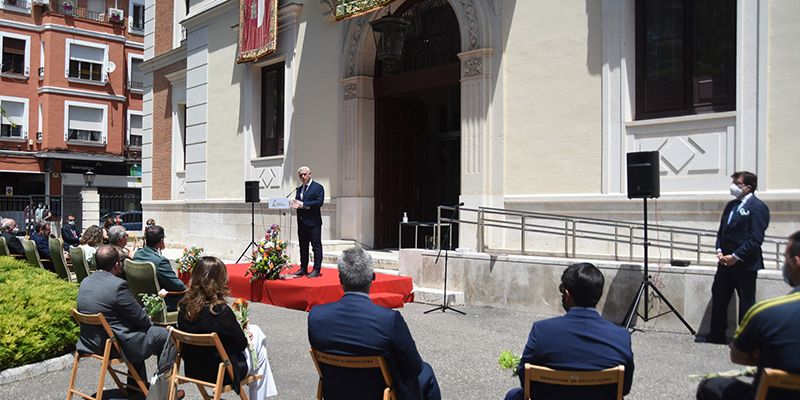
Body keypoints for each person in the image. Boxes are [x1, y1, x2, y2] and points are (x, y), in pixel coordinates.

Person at [308, 247, 441, 400]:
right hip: (380, 394)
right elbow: (414, 367)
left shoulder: (316, 317)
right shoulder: (389, 320)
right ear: (372, 277)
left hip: (336, 393)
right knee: (426, 371)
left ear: (340, 279)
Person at [504, 263, 634, 400]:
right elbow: (624, 388)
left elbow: (525, 380)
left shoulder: (542, 331)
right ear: (599, 294)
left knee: (513, 395)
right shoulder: (621, 337)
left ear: (566, 294)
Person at [696, 231, 800, 400]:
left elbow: (738, 356)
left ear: (796, 262)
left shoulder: (766, 312)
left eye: (785, 257)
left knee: (709, 386)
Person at [75, 245, 171, 398]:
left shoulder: (86, 281)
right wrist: (147, 319)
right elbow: (142, 320)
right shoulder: (118, 286)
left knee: (136, 332)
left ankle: (137, 388)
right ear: (117, 264)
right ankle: (163, 393)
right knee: (166, 335)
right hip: (114, 346)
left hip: (89, 342)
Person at [177, 256, 277, 398]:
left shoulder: (183, 308)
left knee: (256, 336)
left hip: (194, 370)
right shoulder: (220, 311)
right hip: (222, 374)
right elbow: (240, 344)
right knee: (259, 346)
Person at [704, 171, 771, 344]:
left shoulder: (758, 207)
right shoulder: (731, 206)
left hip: (745, 264)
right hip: (725, 263)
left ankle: (744, 338)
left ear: (748, 187)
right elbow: (722, 232)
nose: (733, 187)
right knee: (719, 296)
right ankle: (717, 333)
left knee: (746, 301)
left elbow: (755, 238)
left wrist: (736, 256)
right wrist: (719, 250)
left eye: (737, 184)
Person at [133, 225, 186, 311]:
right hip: (161, 304)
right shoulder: (161, 261)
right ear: (161, 241)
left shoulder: (137, 254)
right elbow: (180, 287)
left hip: (141, 302)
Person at [291, 166, 325, 278]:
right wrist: (294, 204)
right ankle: (303, 268)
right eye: (300, 175)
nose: (303, 177)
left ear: (310, 174)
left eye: (305, 174)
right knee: (303, 246)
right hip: (301, 223)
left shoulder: (318, 187)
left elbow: (319, 202)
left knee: (316, 246)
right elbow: (298, 202)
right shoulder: (299, 189)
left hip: (313, 223)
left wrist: (303, 204)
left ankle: (316, 269)